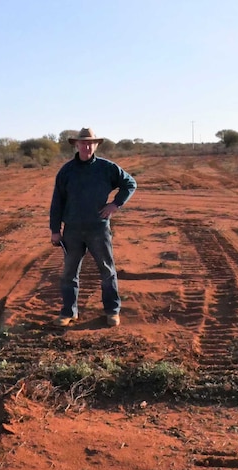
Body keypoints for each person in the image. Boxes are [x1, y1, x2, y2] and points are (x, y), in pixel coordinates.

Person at [49, 127, 137, 327]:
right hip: (72, 230)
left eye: (90, 143)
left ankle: (112, 311)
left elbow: (130, 183)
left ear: (95, 145)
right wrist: (55, 230)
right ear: (76, 145)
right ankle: (69, 312)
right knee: (69, 273)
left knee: (107, 270)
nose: (87, 146)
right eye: (83, 143)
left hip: (98, 229)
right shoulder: (66, 171)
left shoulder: (107, 168)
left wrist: (115, 204)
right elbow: (57, 201)